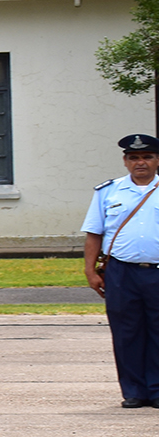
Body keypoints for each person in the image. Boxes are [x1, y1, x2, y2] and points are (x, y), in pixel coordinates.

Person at [84, 133, 159, 408]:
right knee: (126, 332)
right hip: (121, 273)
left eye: (147, 157)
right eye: (134, 157)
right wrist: (90, 272)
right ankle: (134, 391)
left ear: (157, 160)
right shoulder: (109, 192)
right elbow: (94, 233)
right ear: (126, 162)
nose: (141, 162)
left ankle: (157, 388)